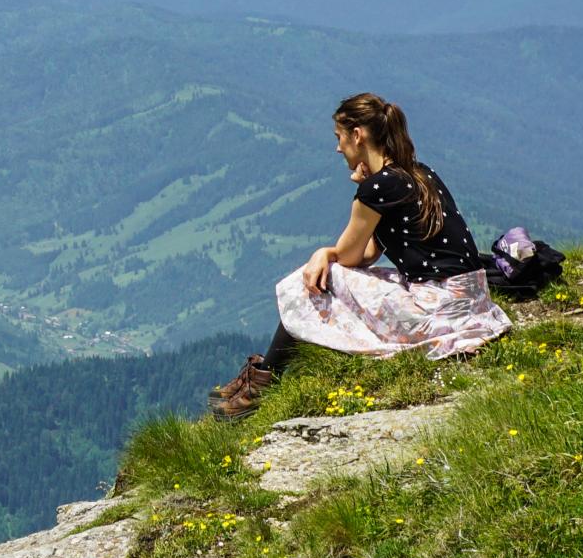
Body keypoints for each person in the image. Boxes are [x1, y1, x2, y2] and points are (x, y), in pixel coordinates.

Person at [211, 92, 512, 420]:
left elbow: (349, 258)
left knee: (310, 282)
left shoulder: (379, 188)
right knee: (332, 274)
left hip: (437, 307)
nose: (338, 148)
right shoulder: (418, 173)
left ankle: (261, 385)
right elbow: (370, 254)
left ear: (358, 135)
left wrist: (323, 252)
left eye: (339, 137)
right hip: (470, 298)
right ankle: (262, 377)